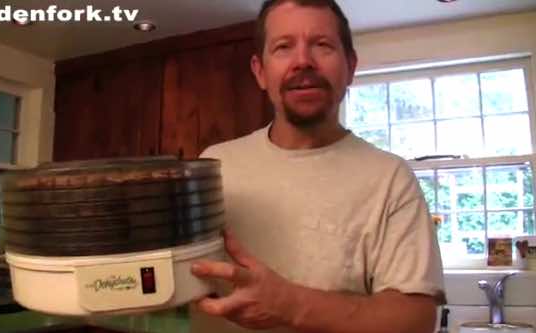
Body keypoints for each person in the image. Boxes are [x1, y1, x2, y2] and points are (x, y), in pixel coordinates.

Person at [189, 0, 445, 332]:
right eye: (283, 47)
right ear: (260, 72)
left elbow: (416, 320)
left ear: (350, 66)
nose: (303, 62)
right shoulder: (214, 165)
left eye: (322, 45)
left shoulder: (390, 178)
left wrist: (287, 304)